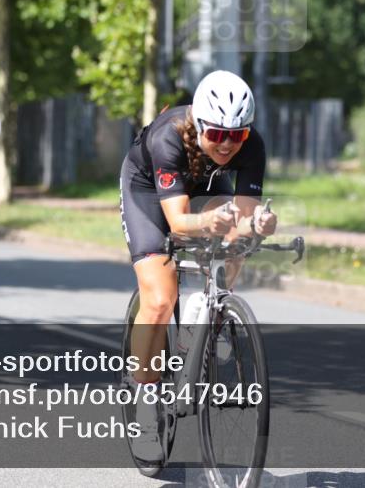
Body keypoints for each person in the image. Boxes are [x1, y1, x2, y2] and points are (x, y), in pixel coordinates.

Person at [119, 70, 277, 462]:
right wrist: (208, 221)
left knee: (238, 235)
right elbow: (177, 222)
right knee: (160, 296)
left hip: (204, 186)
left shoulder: (251, 144)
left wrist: (258, 224)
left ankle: (216, 312)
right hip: (150, 195)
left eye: (236, 135)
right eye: (218, 134)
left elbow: (243, 215)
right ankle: (143, 402)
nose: (227, 144)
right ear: (200, 124)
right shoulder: (167, 136)